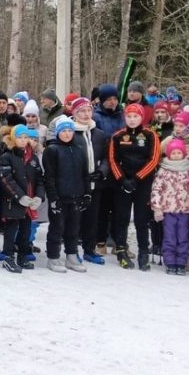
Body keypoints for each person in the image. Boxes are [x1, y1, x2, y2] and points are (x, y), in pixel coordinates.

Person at [108, 103, 161, 270]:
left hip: (143, 182)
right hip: (123, 182)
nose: (132, 120)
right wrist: (122, 179)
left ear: (142, 117)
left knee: (141, 219)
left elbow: (153, 159)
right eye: (129, 116)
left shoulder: (150, 135)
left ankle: (143, 252)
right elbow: (112, 159)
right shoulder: (118, 136)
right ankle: (121, 251)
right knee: (122, 218)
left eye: (135, 116)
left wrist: (137, 179)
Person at [42, 117, 89, 273]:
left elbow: (85, 174)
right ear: (57, 133)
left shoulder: (79, 149)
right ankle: (53, 256)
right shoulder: (52, 150)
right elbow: (49, 176)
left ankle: (71, 255)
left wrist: (87, 193)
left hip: (76, 195)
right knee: (57, 227)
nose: (67, 134)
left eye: (70, 131)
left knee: (74, 228)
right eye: (63, 131)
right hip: (60, 197)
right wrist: (53, 198)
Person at [150, 139, 189, 276]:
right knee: (170, 237)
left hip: (185, 210)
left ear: (183, 153)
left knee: (183, 237)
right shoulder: (163, 170)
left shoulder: (188, 170)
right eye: (174, 153)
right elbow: (156, 189)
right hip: (168, 210)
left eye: (179, 152)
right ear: (168, 154)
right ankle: (170, 261)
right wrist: (157, 208)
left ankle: (181, 262)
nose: (177, 155)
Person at [0, 125, 44, 273]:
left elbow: (39, 179)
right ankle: (8, 256)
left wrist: (39, 196)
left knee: (25, 229)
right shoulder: (7, 156)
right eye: (20, 137)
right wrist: (19, 196)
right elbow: (6, 179)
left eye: (26, 137)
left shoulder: (33, 157)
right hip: (13, 201)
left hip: (30, 201)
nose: (23, 140)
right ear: (13, 138)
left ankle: (23, 255)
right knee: (11, 230)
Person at [70, 97, 109, 265]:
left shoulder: (98, 134)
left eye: (88, 110)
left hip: (95, 185)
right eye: (82, 111)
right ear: (74, 113)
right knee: (74, 219)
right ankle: (71, 251)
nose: (86, 114)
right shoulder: (70, 132)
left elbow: (106, 157)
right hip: (76, 184)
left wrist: (101, 171)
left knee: (92, 219)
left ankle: (89, 249)